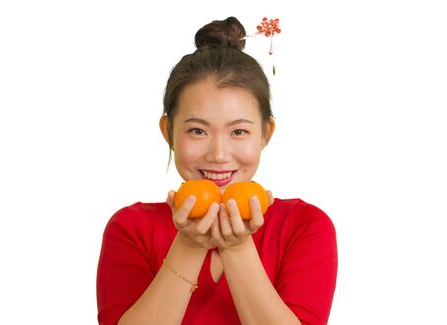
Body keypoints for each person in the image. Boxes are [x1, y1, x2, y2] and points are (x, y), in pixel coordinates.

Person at [96, 16, 337, 325]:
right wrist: (188, 246)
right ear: (168, 130)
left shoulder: (304, 226)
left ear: (266, 133)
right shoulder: (131, 229)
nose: (219, 155)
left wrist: (237, 247)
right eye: (198, 131)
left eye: (238, 132)